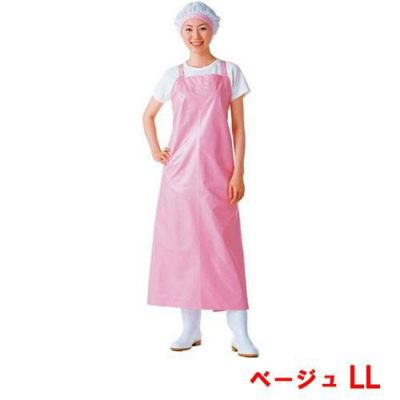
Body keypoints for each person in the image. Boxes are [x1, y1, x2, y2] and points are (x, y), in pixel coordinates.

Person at [143, 1, 259, 358]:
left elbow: (238, 128)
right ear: (181, 33)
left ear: (213, 30)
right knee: (183, 249)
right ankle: (190, 328)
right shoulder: (172, 76)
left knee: (224, 249)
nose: (196, 36)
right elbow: (148, 115)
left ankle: (240, 332)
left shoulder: (229, 72)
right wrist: (156, 150)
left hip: (217, 174)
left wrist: (238, 171)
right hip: (178, 178)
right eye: (189, 29)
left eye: (202, 28)